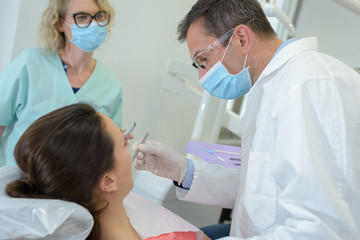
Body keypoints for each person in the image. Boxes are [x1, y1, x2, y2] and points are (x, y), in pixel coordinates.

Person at [132, 0, 360, 239]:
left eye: (203, 60)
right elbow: (259, 188)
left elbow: (320, 229)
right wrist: (182, 170)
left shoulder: (309, 85)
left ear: (241, 38)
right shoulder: (266, 88)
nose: (202, 75)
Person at [5, 103, 209, 240]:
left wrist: (184, 171)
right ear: (108, 181)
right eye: (122, 144)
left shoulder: (105, 205)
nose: (129, 145)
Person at [0, 0, 123, 167]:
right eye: (82, 17)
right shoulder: (29, 65)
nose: (94, 24)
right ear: (59, 24)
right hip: (14, 182)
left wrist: (115, 141)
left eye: (99, 16)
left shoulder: (110, 87)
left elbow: (107, 150)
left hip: (69, 188)